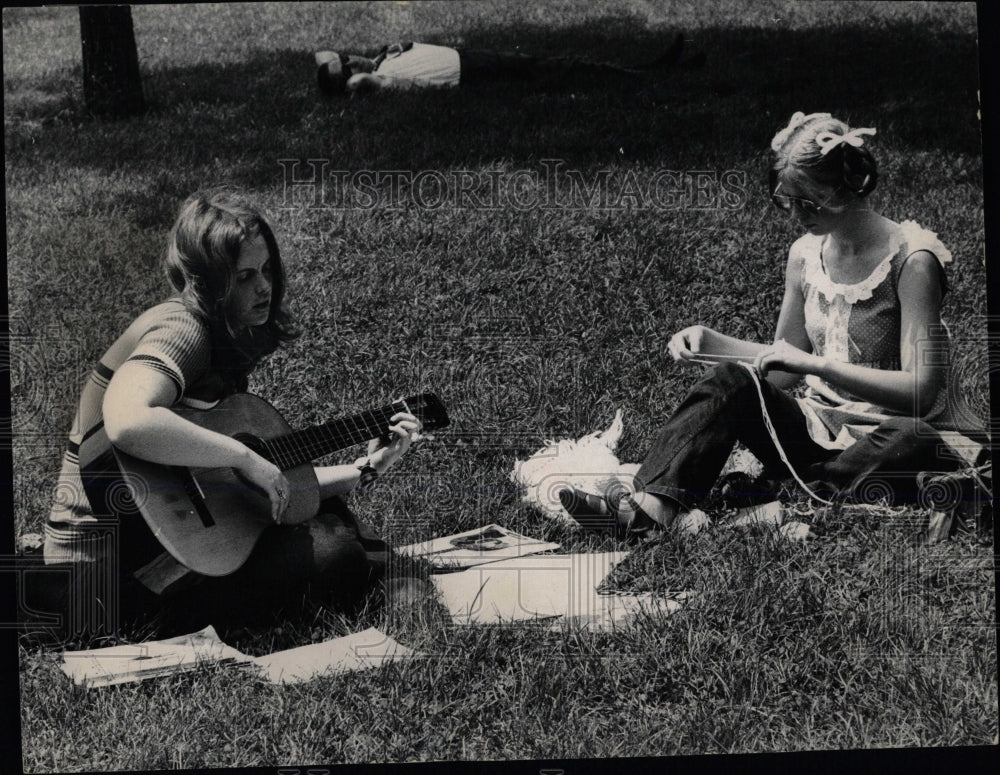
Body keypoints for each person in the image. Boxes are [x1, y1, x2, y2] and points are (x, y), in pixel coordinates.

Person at [559, 111, 988, 537]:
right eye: (788, 202)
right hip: (819, 429)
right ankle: (648, 510)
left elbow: (920, 391)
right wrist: (711, 341)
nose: (798, 214)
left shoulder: (913, 261)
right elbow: (781, 370)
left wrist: (819, 366)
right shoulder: (805, 254)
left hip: (888, 436)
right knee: (730, 381)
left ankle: (772, 494)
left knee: (910, 435)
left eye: (807, 201)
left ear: (847, 185)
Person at [33, 190, 425, 639]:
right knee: (335, 554)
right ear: (208, 283)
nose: (264, 287)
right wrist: (244, 457)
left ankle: (373, 568)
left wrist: (367, 468)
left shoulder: (217, 334)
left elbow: (245, 492)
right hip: (106, 575)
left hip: (152, 545)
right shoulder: (184, 329)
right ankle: (382, 573)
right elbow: (127, 421)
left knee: (310, 510)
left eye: (267, 270)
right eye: (244, 276)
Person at [314, 35, 703, 95]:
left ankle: (653, 72)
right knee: (564, 70)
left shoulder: (385, 55)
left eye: (347, 56)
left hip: (476, 60)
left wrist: (336, 63)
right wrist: (344, 79)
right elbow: (359, 83)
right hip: (475, 73)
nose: (353, 58)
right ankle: (653, 77)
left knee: (562, 65)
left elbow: (322, 54)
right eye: (347, 63)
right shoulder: (375, 78)